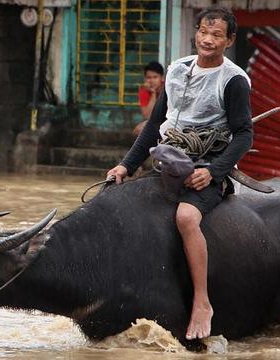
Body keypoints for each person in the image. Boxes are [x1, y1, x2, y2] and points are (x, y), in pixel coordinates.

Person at [106, 5, 252, 340]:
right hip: (168, 161)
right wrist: (126, 165)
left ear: (229, 40)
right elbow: (155, 125)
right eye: (203, 31)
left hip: (206, 166)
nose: (208, 39)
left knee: (186, 217)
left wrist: (214, 172)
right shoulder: (176, 70)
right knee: (120, 205)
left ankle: (202, 301)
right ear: (196, 33)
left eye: (217, 34)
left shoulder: (233, 81)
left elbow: (244, 134)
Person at [134, 61, 165, 137]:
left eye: (155, 77)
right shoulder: (144, 91)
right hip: (155, 121)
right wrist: (153, 94)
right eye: (149, 78)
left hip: (169, 119)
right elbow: (147, 116)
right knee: (138, 130)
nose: (151, 81)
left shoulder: (167, 88)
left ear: (162, 78)